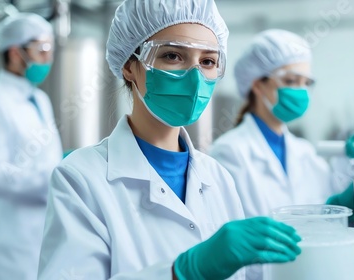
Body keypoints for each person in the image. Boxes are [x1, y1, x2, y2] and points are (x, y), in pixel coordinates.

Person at [37, 1, 303, 279]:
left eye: (208, 61)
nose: (195, 77)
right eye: (173, 56)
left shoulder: (218, 177)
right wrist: (182, 272)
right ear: (130, 65)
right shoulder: (81, 179)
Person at [209, 29, 354, 219]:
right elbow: (248, 230)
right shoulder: (229, 152)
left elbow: (332, 200)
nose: (301, 91)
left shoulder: (304, 151)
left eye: (306, 82)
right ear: (258, 85)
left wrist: (350, 157)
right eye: (291, 80)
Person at [0, 13, 62, 280]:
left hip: (40, 234)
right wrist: (49, 177)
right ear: (16, 53)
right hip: (9, 244)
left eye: (50, 49)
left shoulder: (39, 100)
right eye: (41, 49)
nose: (48, 59)